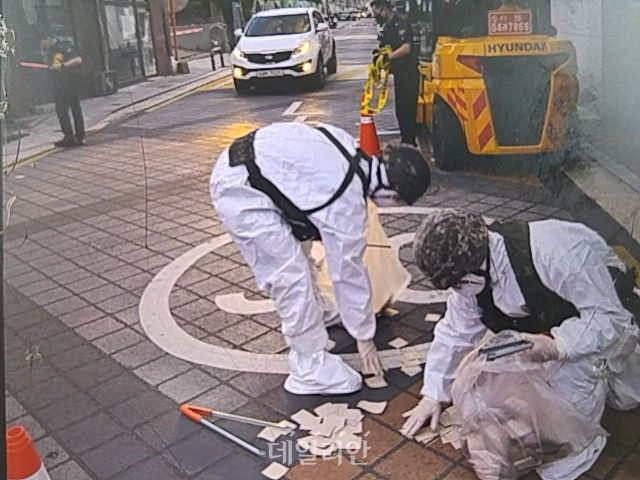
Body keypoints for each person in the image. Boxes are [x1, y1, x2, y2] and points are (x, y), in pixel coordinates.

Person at [402, 209, 640, 479]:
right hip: (545, 332)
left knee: (564, 453)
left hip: (605, 325)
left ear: (473, 265)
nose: (458, 290)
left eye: (457, 283)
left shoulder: (553, 250)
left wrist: (558, 345)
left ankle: (600, 410)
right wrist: (433, 393)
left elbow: (610, 316)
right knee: (492, 386)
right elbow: (455, 331)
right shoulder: (472, 276)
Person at [210, 122, 430, 395]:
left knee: (299, 253)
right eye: (397, 203)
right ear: (393, 195)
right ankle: (309, 366)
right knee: (290, 276)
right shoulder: (346, 202)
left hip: (251, 168)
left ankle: (317, 310)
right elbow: (347, 273)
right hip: (241, 191)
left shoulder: (347, 146)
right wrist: (364, 338)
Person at [370, 0, 419, 146]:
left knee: (407, 109)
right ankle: (406, 139)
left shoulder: (401, 24)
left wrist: (388, 57)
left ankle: (409, 142)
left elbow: (406, 48)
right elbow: (386, 47)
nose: (375, 15)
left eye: (376, 11)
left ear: (383, 8)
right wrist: (378, 55)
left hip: (408, 73)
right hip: (399, 74)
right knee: (401, 110)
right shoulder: (387, 27)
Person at [41, 35, 85, 147]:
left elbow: (78, 60)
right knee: (62, 111)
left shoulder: (62, 46)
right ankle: (70, 136)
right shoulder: (50, 50)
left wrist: (63, 65)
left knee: (73, 109)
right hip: (59, 86)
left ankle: (78, 136)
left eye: (43, 42)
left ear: (48, 39)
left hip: (69, 83)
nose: (42, 45)